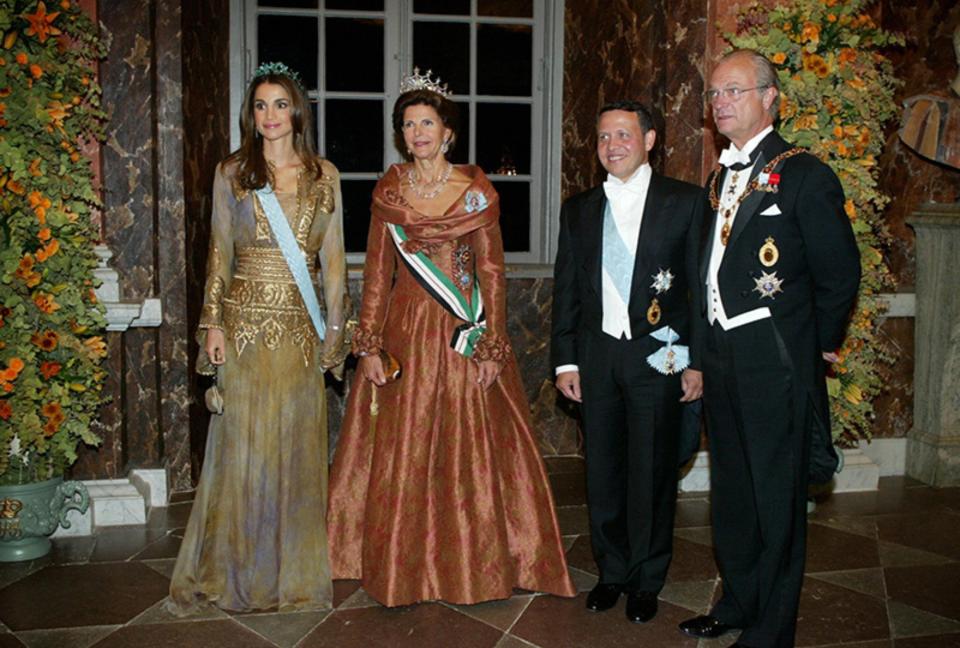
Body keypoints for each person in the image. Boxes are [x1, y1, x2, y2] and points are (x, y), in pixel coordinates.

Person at [327, 69, 575, 607]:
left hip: (464, 331)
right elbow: (375, 276)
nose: (418, 132)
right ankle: (404, 568)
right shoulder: (390, 191)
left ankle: (469, 563)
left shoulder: (474, 192)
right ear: (402, 134)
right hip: (405, 334)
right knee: (406, 448)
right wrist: (368, 346)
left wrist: (491, 345)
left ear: (448, 133)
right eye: (409, 124)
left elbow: (491, 273)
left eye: (428, 123)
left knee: (468, 448)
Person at [677, 50, 860, 647]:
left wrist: (815, 347)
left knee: (776, 502)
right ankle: (738, 603)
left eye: (733, 91)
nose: (720, 103)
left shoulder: (806, 173)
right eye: (714, 94)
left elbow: (839, 274)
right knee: (733, 494)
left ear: (769, 96)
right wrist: (700, 359)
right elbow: (708, 275)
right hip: (723, 363)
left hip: (773, 366)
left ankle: (772, 630)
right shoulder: (716, 178)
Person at [168, 62, 349, 614]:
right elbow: (218, 255)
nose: (269, 116)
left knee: (295, 453)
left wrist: (334, 335)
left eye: (279, 104)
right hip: (243, 330)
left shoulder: (326, 176)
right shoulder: (232, 173)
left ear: (297, 111)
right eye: (260, 106)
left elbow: (335, 265)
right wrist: (213, 326)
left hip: (298, 331)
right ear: (251, 115)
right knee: (242, 453)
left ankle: (291, 579)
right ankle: (232, 573)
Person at [551, 101, 704, 624]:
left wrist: (694, 361)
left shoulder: (685, 202)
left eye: (623, 134)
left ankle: (646, 577)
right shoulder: (579, 208)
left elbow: (697, 294)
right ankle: (612, 572)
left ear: (649, 140)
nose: (612, 145)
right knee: (604, 472)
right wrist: (565, 361)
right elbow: (567, 292)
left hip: (659, 353)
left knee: (653, 471)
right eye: (602, 137)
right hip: (596, 358)